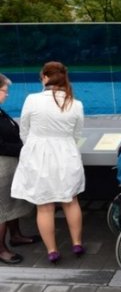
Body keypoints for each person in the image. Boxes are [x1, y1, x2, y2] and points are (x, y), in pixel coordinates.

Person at [11, 62, 86, 264]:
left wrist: (35, 146)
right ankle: (77, 243)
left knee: (44, 206)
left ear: (44, 77)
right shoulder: (75, 104)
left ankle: (52, 250)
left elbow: (24, 130)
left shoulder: (32, 100)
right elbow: (77, 134)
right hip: (66, 154)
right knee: (71, 201)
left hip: (38, 156)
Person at [0, 73, 41, 265]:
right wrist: (24, 148)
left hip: (9, 166)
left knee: (12, 204)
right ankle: (1, 249)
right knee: (2, 210)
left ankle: (16, 236)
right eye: (4, 90)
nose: (7, 95)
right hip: (2, 168)